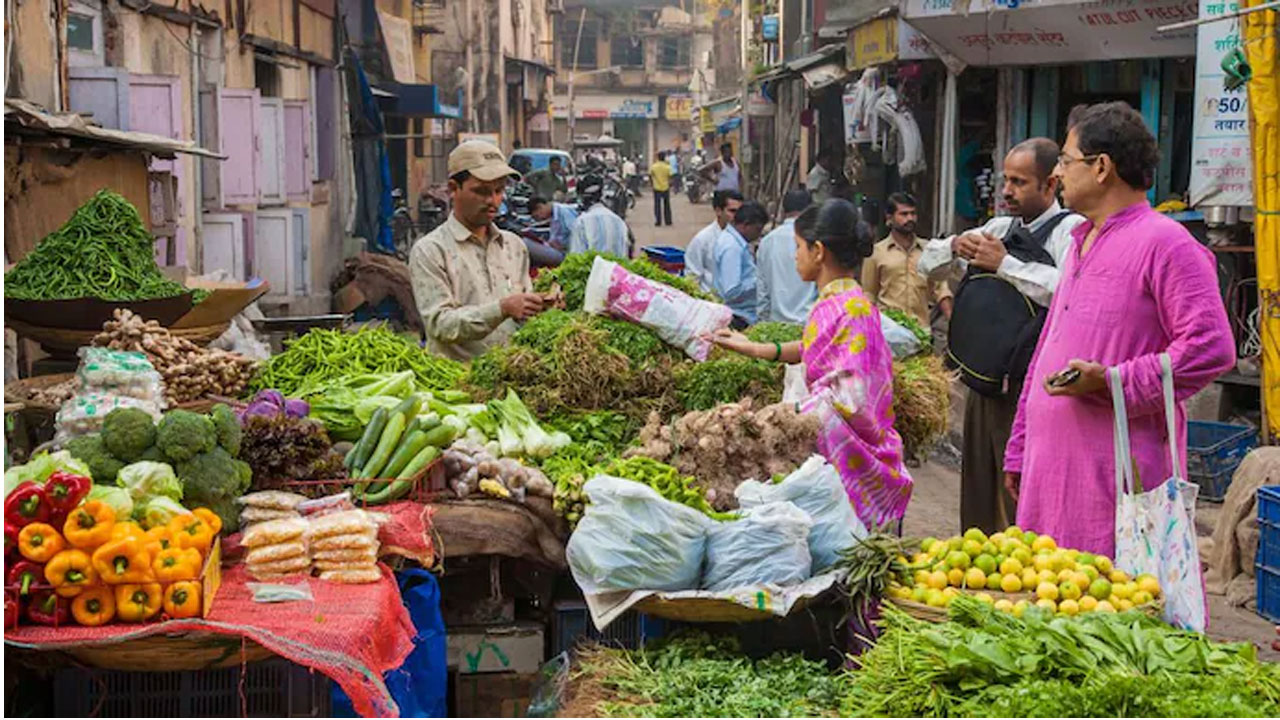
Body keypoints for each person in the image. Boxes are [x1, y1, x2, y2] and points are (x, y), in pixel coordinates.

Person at [1002, 102, 1235, 558]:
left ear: (1102, 167)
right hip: (1051, 471)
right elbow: (1048, 349)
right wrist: (1020, 446)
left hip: (1114, 476)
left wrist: (1112, 383)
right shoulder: (1080, 240)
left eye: (1066, 162)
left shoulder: (1166, 244)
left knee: (1110, 615)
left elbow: (1212, 347)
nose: (1058, 175)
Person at [709, 200, 912, 527]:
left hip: (857, 468)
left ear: (818, 251)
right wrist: (754, 348)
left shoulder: (853, 310)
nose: (794, 256)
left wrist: (780, 419)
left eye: (798, 247)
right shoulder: (839, 303)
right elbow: (812, 348)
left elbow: (852, 401)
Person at [917, 138, 1085, 534]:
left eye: (1020, 182)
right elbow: (926, 264)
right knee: (977, 489)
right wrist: (955, 246)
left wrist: (1005, 265)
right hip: (984, 379)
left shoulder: (1071, 232)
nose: (1007, 191)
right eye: (1005, 180)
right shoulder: (998, 228)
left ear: (1050, 184)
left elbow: (1069, 292)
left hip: (1033, 384)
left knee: (1021, 491)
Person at [410, 140, 547, 361]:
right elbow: (440, 325)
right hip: (455, 385)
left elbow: (523, 319)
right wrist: (502, 309)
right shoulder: (431, 251)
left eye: (498, 191)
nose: (493, 201)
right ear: (453, 189)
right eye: (481, 191)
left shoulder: (514, 247)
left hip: (510, 378)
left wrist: (541, 306)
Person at [861, 193, 953, 328]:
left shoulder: (929, 250)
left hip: (921, 331)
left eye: (913, 214)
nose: (910, 218)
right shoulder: (876, 253)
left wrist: (953, 324)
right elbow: (869, 294)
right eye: (903, 214)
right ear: (889, 218)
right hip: (888, 331)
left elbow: (941, 290)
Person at [756, 189, 818, 324]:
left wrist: (762, 324)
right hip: (809, 324)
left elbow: (762, 290)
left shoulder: (767, 241)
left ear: (783, 210)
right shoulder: (814, 239)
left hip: (776, 325)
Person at [711, 201, 767, 329]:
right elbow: (731, 290)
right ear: (745, 225)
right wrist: (761, 280)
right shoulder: (732, 247)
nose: (758, 234)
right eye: (757, 229)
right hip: (737, 316)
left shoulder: (734, 241)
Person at [686, 190, 743, 292]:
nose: (737, 216)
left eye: (740, 212)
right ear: (718, 211)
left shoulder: (745, 238)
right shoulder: (702, 240)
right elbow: (692, 278)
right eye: (732, 211)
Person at [568, 173, 631, 258]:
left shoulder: (581, 223)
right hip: (616, 270)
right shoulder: (619, 221)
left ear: (582, 198)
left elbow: (576, 257)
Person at [650, 152, 673, 227]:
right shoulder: (667, 167)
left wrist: (652, 184)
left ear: (658, 158)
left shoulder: (654, 166)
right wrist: (670, 184)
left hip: (656, 187)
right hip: (665, 187)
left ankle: (658, 221)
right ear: (664, 158)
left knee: (657, 205)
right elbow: (670, 176)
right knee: (667, 205)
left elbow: (650, 175)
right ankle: (668, 221)